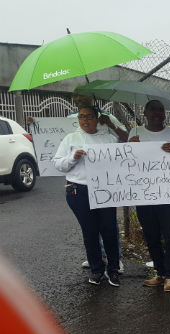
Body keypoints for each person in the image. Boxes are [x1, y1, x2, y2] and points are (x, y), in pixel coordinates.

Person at [52, 105, 121, 286]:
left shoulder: (108, 139)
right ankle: (97, 269)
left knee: (109, 229)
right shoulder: (71, 138)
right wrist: (73, 158)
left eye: (89, 116)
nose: (85, 120)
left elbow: (123, 158)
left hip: (105, 190)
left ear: (97, 118)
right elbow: (58, 164)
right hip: (79, 190)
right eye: (81, 116)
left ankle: (113, 269)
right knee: (90, 231)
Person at [128, 100, 170, 292]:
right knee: (151, 235)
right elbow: (127, 166)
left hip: (168, 191)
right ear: (144, 112)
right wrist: (129, 149)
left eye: (160, 110)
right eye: (152, 109)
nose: (156, 113)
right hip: (144, 193)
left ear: (164, 114)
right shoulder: (135, 134)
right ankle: (160, 273)